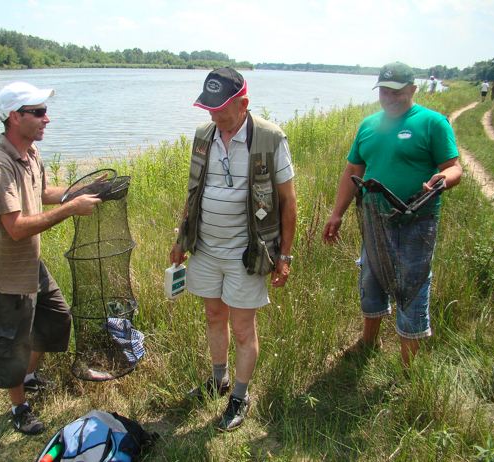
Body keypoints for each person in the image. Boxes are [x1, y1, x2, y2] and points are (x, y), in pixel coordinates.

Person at [170, 68, 297, 432]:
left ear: (243, 104)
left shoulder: (271, 138)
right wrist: (181, 238)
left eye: (222, 110)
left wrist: (284, 258)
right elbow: (193, 192)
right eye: (209, 109)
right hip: (205, 249)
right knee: (213, 314)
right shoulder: (204, 135)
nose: (214, 117)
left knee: (242, 328)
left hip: (247, 254)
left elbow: (289, 202)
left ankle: (239, 397)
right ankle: (217, 380)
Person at [0, 82, 102, 435]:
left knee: (58, 318)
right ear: (15, 118)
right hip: (6, 272)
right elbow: (15, 228)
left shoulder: (31, 154)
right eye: (39, 112)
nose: (47, 118)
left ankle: (28, 377)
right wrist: (72, 210)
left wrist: (81, 191)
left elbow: (44, 193)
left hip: (31, 265)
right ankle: (19, 407)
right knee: (12, 343)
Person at [322, 62, 462, 367]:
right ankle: (368, 342)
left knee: (412, 287)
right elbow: (353, 171)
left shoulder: (432, 123)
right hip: (373, 220)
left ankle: (407, 367)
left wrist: (444, 179)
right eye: (384, 91)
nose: (389, 97)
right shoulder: (369, 125)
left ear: (413, 89)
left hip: (417, 222)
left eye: (397, 91)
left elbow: (454, 166)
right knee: (371, 280)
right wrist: (337, 214)